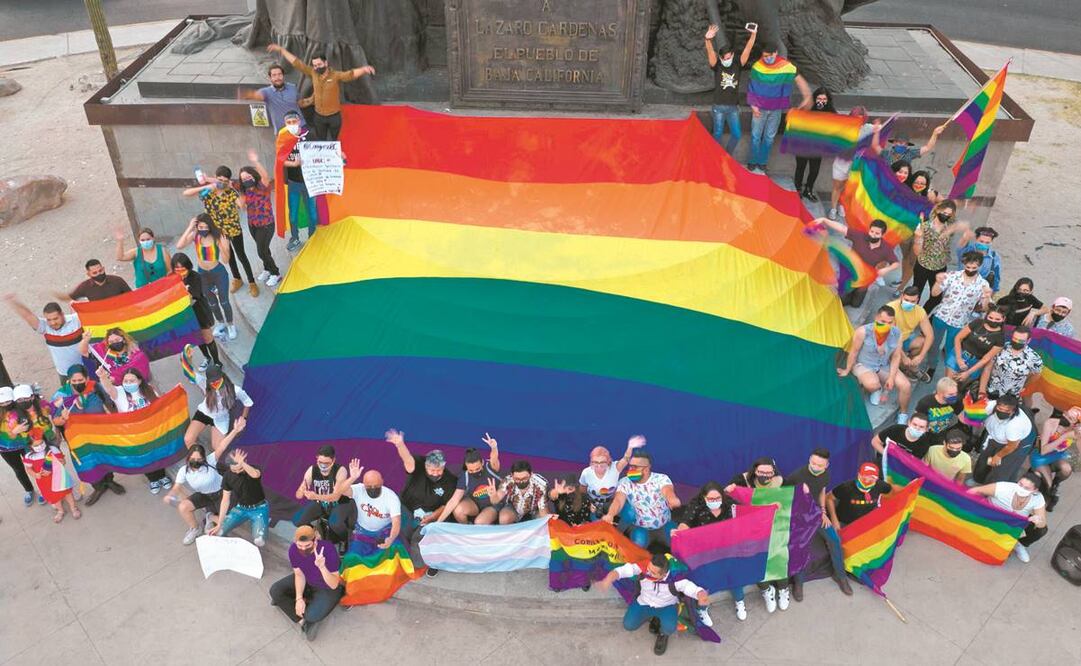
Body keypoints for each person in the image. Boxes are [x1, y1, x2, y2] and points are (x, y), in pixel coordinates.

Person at [596, 551, 711, 656]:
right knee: (629, 625)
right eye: (649, 569)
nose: (648, 573)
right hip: (644, 603)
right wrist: (608, 580)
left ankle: (662, 634)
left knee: (670, 627)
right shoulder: (644, 568)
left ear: (663, 574)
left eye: (653, 573)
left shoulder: (676, 579)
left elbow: (690, 588)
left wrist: (700, 595)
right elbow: (621, 571)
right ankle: (653, 618)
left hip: (666, 606)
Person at [384, 428, 457, 577]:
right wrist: (400, 445)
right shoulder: (418, 464)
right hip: (406, 506)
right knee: (403, 530)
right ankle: (402, 559)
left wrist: (432, 517)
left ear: (444, 466)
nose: (436, 473)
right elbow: (407, 460)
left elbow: (445, 506)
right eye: (432, 470)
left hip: (431, 514)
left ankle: (422, 564)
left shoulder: (450, 480)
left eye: (439, 470)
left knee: (421, 535)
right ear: (425, 465)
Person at [266, 45, 375, 141]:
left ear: (326, 63)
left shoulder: (336, 75)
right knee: (320, 141)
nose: (317, 67)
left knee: (335, 140)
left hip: (334, 116)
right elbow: (297, 63)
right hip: (319, 117)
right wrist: (282, 50)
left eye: (319, 64)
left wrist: (364, 69)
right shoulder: (313, 73)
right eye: (315, 65)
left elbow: (350, 74)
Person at [783, 449, 852, 600]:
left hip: (816, 513)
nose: (815, 467)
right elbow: (785, 500)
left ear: (826, 465)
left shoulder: (825, 474)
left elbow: (822, 491)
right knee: (801, 545)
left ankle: (840, 576)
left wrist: (822, 511)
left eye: (820, 465)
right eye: (813, 463)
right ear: (809, 459)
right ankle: (798, 583)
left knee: (834, 540)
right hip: (799, 516)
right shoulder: (796, 476)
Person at [671, 482, 748, 618]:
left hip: (726, 549)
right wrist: (678, 532)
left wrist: (770, 509)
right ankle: (702, 609)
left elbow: (748, 513)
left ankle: (740, 601)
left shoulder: (728, 503)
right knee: (703, 580)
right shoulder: (696, 505)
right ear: (704, 497)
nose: (715, 501)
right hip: (704, 551)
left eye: (717, 498)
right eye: (711, 499)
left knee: (735, 575)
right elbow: (686, 522)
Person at [94, 365, 172, 494]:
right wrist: (102, 376)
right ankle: (153, 479)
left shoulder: (149, 390)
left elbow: (159, 406)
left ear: (140, 381)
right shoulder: (119, 392)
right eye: (126, 381)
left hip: (151, 431)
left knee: (156, 454)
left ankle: (162, 476)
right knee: (144, 458)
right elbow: (108, 388)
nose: (128, 383)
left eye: (132, 380)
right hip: (133, 434)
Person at [724, 458, 790, 612]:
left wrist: (801, 492)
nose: (765, 475)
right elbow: (726, 498)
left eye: (769, 472)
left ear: (774, 472)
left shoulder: (780, 482)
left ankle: (783, 589)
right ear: (755, 470)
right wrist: (729, 490)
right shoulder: (741, 480)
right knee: (756, 561)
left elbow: (791, 497)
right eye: (761, 472)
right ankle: (767, 590)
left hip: (774, 526)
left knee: (778, 558)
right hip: (751, 529)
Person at [164, 420, 245, 545]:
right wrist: (170, 494)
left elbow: (222, 445)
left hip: (221, 494)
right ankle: (195, 529)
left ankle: (210, 517)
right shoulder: (183, 471)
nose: (196, 462)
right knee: (183, 507)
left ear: (204, 458)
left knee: (228, 523)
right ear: (188, 458)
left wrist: (235, 430)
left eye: (199, 459)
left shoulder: (210, 460)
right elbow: (176, 487)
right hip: (203, 495)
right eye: (192, 459)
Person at [183, 167, 258, 297]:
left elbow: (242, 206)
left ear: (228, 181)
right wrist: (206, 186)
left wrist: (236, 189)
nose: (221, 182)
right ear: (215, 177)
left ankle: (252, 282)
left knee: (241, 256)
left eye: (225, 180)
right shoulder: (208, 193)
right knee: (229, 257)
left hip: (233, 230)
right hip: (218, 232)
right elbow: (186, 193)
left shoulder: (231, 193)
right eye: (219, 180)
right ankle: (237, 279)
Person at [838, 305, 913, 423]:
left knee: (906, 385)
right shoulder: (863, 331)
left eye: (890, 322)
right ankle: (877, 388)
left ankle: (903, 414)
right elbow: (854, 352)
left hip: (883, 365)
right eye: (883, 321)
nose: (886, 325)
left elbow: (896, 356)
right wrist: (847, 369)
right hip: (864, 365)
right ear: (876, 318)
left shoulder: (896, 333)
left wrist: (892, 378)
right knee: (872, 384)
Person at [745, 41, 811, 173]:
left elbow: (799, 80)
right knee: (755, 136)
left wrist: (807, 96)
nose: (767, 58)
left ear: (776, 53)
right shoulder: (757, 67)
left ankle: (762, 162)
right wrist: (753, 106)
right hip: (759, 109)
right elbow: (751, 87)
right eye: (765, 56)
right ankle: (752, 161)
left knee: (769, 138)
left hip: (776, 110)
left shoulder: (786, 67)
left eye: (770, 55)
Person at [269, 525, 343, 641]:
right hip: (308, 580)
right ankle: (303, 620)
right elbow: (299, 575)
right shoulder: (293, 550)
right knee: (275, 590)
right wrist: (299, 599)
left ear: (315, 540)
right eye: (300, 545)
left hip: (327, 587)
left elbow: (334, 584)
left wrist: (322, 567)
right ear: (295, 541)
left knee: (312, 615)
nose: (303, 549)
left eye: (307, 545)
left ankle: (298, 609)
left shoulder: (328, 549)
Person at [926, 251, 993, 378]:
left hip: (959, 322)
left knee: (951, 348)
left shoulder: (983, 284)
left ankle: (948, 372)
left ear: (980, 266)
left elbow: (984, 308)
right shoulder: (951, 275)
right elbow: (934, 294)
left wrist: (987, 297)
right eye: (968, 267)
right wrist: (937, 282)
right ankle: (931, 366)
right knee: (934, 343)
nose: (971, 270)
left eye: (974, 268)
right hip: (941, 316)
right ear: (963, 264)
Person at [603, 450, 681, 550]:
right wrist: (610, 514)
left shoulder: (661, 478)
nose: (631, 469)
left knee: (678, 541)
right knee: (637, 548)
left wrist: (672, 499)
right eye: (630, 466)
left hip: (664, 526)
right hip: (641, 528)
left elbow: (667, 491)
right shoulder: (624, 482)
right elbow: (618, 501)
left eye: (635, 467)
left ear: (646, 469)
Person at [813, 217, 899, 308]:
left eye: (877, 233)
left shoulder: (886, 249)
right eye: (872, 231)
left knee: (856, 304)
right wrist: (825, 220)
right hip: (849, 274)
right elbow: (842, 228)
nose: (873, 235)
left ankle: (851, 294)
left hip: (865, 278)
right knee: (841, 300)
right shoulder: (860, 236)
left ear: (882, 234)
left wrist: (886, 269)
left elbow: (896, 263)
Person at [176, 215, 236, 340]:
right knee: (212, 303)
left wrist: (225, 247)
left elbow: (225, 260)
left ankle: (230, 325)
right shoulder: (196, 236)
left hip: (218, 272)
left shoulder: (217, 237)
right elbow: (179, 246)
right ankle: (220, 323)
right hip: (203, 274)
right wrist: (190, 227)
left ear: (210, 226)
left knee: (224, 302)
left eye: (205, 227)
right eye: (200, 226)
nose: (202, 229)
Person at [3, 296, 84, 387]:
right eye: (49, 320)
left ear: (62, 314)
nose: (52, 323)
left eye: (55, 318)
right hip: (64, 372)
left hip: (84, 368)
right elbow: (27, 315)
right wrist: (13, 302)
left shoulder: (76, 320)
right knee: (69, 397)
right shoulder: (44, 327)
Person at [967, 472, 1047, 562]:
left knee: (1042, 530)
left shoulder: (1038, 498)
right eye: (1020, 484)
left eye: (1027, 488)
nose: (1021, 488)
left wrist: (1037, 520)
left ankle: (1017, 543)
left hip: (1014, 524)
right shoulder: (1003, 487)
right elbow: (976, 490)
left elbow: (1042, 523)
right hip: (993, 518)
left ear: (1035, 490)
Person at [703, 23, 755, 154]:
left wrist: (753, 35)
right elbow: (710, 53)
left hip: (733, 107)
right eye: (724, 58)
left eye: (729, 57)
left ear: (732, 55)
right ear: (721, 57)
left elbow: (747, 50)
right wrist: (707, 40)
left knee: (737, 134)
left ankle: (727, 155)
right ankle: (716, 157)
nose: (727, 60)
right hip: (718, 106)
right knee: (717, 134)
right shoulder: (717, 65)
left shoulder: (738, 63)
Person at [912, 201, 968, 313]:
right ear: (937, 210)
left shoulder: (950, 223)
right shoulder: (925, 227)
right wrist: (918, 239)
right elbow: (917, 252)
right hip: (923, 265)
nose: (945, 215)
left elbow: (960, 208)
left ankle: (923, 314)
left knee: (936, 298)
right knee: (915, 294)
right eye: (944, 212)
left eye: (949, 214)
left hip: (940, 267)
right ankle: (911, 316)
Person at [9, 385, 60, 506]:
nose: (22, 402)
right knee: (39, 469)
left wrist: (57, 431)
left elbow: (54, 412)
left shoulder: (42, 405)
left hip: (50, 440)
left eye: (25, 398)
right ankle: (45, 491)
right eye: (19, 400)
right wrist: (15, 431)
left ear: (32, 397)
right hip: (31, 446)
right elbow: (11, 436)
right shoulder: (14, 416)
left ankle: (65, 487)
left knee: (58, 464)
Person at [294, 445, 355, 547]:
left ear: (333, 460)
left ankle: (345, 539)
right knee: (297, 520)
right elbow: (298, 495)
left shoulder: (340, 471)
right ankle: (315, 533)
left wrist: (315, 496)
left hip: (339, 503)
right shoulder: (312, 470)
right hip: (320, 503)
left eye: (327, 463)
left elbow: (336, 496)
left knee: (335, 524)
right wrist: (301, 490)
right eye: (320, 462)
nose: (323, 466)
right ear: (317, 458)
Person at [237, 150, 281, 288]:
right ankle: (267, 269)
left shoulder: (262, 187)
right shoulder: (245, 192)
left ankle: (276, 273)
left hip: (266, 224)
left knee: (261, 251)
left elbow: (265, 176)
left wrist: (255, 161)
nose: (246, 180)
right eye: (243, 179)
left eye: (248, 177)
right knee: (263, 248)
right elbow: (241, 205)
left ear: (253, 176)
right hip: (253, 225)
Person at [570, 436, 642, 520]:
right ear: (591, 462)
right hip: (594, 505)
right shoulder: (586, 473)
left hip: (611, 502)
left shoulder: (615, 468)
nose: (599, 466)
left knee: (630, 513)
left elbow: (626, 459)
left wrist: (630, 447)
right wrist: (588, 504)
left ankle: (621, 528)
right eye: (595, 462)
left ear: (608, 462)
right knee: (598, 525)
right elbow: (582, 490)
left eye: (602, 462)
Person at [435, 433, 501, 525]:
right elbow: (454, 500)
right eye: (471, 470)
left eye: (477, 469)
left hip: (492, 506)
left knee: (479, 522)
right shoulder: (465, 476)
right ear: (466, 467)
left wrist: (494, 447)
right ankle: (467, 528)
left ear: (482, 462)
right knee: (458, 510)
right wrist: (438, 522)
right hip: (475, 506)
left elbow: (494, 457)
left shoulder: (491, 467)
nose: (474, 472)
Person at [209, 448, 269, 546]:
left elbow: (255, 475)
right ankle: (210, 517)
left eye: (240, 468)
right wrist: (220, 523)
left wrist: (242, 463)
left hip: (259, 509)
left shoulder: (252, 469)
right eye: (234, 469)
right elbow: (225, 500)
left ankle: (263, 522)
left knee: (259, 541)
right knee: (219, 532)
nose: (237, 472)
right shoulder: (228, 476)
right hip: (241, 508)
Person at [170, 253, 222, 368]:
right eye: (176, 269)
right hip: (186, 315)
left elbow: (194, 298)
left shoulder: (195, 277)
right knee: (198, 339)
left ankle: (217, 361)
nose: (180, 272)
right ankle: (207, 358)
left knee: (207, 338)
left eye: (182, 269)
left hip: (199, 312)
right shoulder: (172, 278)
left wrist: (183, 290)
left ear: (188, 267)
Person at [185, 365, 254, 451]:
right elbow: (189, 372)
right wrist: (187, 358)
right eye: (212, 382)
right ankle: (198, 459)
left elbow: (248, 402)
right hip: (204, 413)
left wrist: (243, 418)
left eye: (217, 381)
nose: (215, 384)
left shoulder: (235, 390)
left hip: (221, 418)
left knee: (218, 449)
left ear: (223, 377)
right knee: (188, 439)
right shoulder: (204, 383)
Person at [280, 111, 319, 252]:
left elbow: (322, 151)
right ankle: (295, 237)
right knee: (293, 215)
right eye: (288, 122)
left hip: (310, 182)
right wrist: (293, 164)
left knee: (313, 214)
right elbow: (280, 160)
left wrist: (337, 154)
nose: (291, 125)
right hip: (293, 183)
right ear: (285, 123)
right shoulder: (283, 137)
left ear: (299, 120)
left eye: (293, 121)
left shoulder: (309, 135)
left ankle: (312, 237)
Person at [22, 427, 80, 523]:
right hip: (44, 482)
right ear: (30, 446)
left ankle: (73, 508)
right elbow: (28, 469)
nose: (40, 446)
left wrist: (61, 462)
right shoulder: (29, 456)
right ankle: (60, 510)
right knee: (53, 497)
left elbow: (63, 461)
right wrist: (35, 475)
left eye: (41, 443)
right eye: (36, 445)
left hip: (59, 478)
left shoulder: (53, 449)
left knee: (67, 493)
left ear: (45, 440)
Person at [973, 394, 1034, 484]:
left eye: (1007, 411)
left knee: (1003, 468)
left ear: (1013, 411)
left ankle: (992, 489)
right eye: (1000, 409)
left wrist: (998, 456)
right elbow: (974, 414)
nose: (1002, 412)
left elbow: (1011, 446)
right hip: (995, 435)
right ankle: (978, 479)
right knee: (984, 457)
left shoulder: (1015, 425)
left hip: (1017, 442)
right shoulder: (990, 405)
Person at [344, 463, 401, 550]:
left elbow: (396, 522)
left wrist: (391, 538)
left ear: (382, 482)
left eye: (376, 486)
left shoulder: (391, 497)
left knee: (393, 558)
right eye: (369, 486)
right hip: (362, 531)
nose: (373, 489)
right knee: (353, 558)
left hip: (384, 531)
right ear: (364, 484)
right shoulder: (359, 489)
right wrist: (352, 478)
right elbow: (340, 490)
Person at [1032, 406, 1079, 511]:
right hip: (1040, 456)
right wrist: (1064, 437)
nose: (1066, 418)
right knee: (1047, 485)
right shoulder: (1051, 423)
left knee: (1067, 469)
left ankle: (1055, 484)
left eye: (1071, 419)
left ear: (1076, 423)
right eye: (1066, 414)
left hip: (1057, 456)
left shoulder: (1076, 431)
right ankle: (1044, 500)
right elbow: (1042, 450)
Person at [792, 87, 835, 200]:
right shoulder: (808, 107)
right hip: (803, 144)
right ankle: (797, 188)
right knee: (800, 167)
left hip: (817, 147)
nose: (821, 101)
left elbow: (838, 125)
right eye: (819, 98)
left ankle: (808, 189)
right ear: (815, 98)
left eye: (824, 99)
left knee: (814, 170)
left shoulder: (830, 110)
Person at [828, 106, 870, 220]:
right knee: (837, 186)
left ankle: (842, 205)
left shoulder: (868, 128)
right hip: (841, 163)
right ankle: (833, 208)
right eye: (856, 118)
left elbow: (882, 129)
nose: (859, 121)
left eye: (861, 118)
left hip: (856, 164)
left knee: (848, 188)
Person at [947, 306, 1006, 387]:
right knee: (948, 384)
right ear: (986, 316)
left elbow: (986, 358)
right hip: (959, 353)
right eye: (991, 317)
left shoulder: (1000, 338)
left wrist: (968, 373)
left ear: (1003, 319)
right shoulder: (978, 322)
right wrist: (958, 358)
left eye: (997, 319)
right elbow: (958, 338)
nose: (993, 320)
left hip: (975, 363)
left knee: (960, 388)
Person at [980, 326, 1043, 400]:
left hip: (1010, 398)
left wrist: (1024, 385)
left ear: (1028, 340)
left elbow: (1036, 375)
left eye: (1021, 341)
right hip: (990, 391)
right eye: (1015, 339)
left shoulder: (1035, 358)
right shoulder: (1001, 347)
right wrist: (982, 391)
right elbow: (987, 369)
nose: (1017, 342)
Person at [239, 64, 304, 134]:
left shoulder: (292, 87)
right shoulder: (266, 92)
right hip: (283, 132)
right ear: (270, 78)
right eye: (274, 75)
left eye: (279, 74)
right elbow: (258, 95)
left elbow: (300, 103)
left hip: (301, 127)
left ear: (283, 76)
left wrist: (312, 99)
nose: (277, 77)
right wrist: (249, 94)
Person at [887, 286, 934, 381]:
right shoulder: (890, 308)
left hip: (906, 339)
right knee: (898, 357)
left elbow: (930, 335)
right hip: (889, 342)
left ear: (917, 300)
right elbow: (892, 338)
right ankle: (903, 365)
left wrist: (920, 356)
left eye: (913, 301)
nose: (909, 303)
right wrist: (903, 357)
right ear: (901, 297)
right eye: (906, 300)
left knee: (922, 341)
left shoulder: (920, 311)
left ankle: (910, 366)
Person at [1, 386, 37, 506]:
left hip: (25, 444)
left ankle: (43, 489)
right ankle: (29, 490)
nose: (5, 404)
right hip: (5, 449)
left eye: (8, 401)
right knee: (19, 470)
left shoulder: (21, 409)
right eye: (2, 402)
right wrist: (13, 432)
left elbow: (30, 426)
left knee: (36, 466)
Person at [827, 462, 892, 528]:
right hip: (845, 523)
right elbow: (829, 498)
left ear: (876, 479)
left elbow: (893, 490)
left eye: (872, 477)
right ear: (859, 475)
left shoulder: (880, 485)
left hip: (866, 524)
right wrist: (834, 519)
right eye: (865, 475)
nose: (867, 480)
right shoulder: (846, 487)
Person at [79, 327, 151, 386]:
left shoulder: (137, 354)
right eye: (111, 342)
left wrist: (113, 378)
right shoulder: (105, 352)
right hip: (118, 392)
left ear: (124, 340)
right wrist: (85, 340)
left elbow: (134, 369)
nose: (115, 343)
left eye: (117, 340)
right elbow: (84, 352)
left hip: (139, 387)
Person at [50, 364, 109, 430]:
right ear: (69, 380)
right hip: (79, 435)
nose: (77, 383)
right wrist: (63, 418)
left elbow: (110, 404)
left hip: (100, 429)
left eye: (80, 380)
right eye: (74, 381)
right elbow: (55, 421)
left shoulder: (96, 387)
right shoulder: (61, 395)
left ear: (87, 379)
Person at [489, 460, 547, 525]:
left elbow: (542, 509)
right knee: (504, 518)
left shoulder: (540, 484)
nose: (521, 482)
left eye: (524, 478)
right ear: (512, 475)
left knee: (543, 521)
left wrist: (546, 519)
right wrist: (493, 496)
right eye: (517, 479)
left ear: (531, 474)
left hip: (535, 510)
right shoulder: (508, 480)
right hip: (514, 508)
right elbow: (495, 500)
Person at [915, 377, 962, 446]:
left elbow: (961, 416)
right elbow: (916, 419)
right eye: (951, 394)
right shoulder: (926, 402)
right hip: (924, 435)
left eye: (956, 393)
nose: (954, 396)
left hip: (941, 435)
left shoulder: (955, 402)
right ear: (940, 393)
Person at [955, 226, 1002, 293]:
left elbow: (996, 279)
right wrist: (965, 238)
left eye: (987, 242)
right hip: (959, 288)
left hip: (979, 292)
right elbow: (960, 248)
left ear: (991, 242)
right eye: (981, 241)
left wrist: (991, 295)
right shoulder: (966, 250)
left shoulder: (994, 257)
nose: (984, 244)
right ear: (976, 239)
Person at [67, 258, 131, 302]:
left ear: (103, 269)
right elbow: (71, 297)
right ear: (88, 274)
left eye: (100, 271)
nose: (99, 274)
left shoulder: (117, 281)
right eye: (95, 273)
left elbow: (132, 297)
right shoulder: (84, 287)